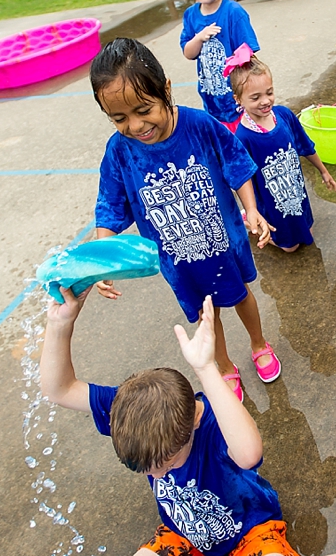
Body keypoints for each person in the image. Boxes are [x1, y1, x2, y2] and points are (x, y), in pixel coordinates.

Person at [40, 292, 302, 556]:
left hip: (252, 528)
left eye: (167, 465)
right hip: (183, 535)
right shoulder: (129, 410)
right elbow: (59, 389)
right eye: (150, 473)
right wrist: (59, 323)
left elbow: (249, 454)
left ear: (192, 420)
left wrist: (207, 367)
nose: (159, 476)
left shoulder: (211, 425)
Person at [91, 37, 281, 400]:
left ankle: (259, 344)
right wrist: (103, 257)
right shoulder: (119, 152)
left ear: (165, 90)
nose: (135, 125)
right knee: (207, 316)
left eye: (144, 110)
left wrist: (252, 209)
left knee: (241, 296)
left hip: (224, 244)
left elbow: (236, 165)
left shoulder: (198, 125)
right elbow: (111, 205)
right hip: (179, 261)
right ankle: (225, 366)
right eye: (119, 118)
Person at [230, 53, 336, 252]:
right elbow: (243, 178)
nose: (265, 101)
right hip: (271, 201)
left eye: (269, 93)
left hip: (295, 190)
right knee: (290, 247)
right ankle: (248, 219)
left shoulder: (284, 115)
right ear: (238, 99)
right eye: (255, 97)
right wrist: (253, 209)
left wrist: (323, 170)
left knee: (308, 232)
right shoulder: (243, 138)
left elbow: (305, 145)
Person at [180, 0, 258, 130]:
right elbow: (188, 53)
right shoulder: (190, 15)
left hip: (239, 102)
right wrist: (199, 38)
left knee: (244, 145)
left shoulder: (233, 12)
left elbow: (249, 54)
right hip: (211, 102)